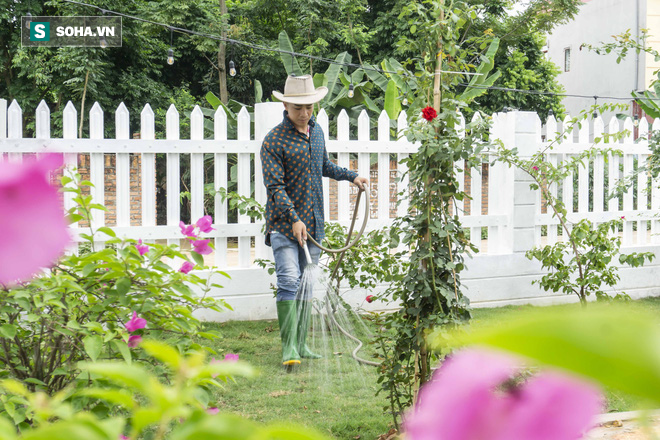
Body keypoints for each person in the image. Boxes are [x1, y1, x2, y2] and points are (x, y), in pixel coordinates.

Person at [260, 75, 369, 368]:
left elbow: (324, 165)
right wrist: (293, 218)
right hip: (284, 225)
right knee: (288, 281)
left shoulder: (317, 131)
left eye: (309, 106)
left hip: (314, 225)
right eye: (298, 107)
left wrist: (352, 176)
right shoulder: (273, 141)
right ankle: (288, 348)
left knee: (307, 287)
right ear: (285, 104)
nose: (304, 113)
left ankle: (303, 344)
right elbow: (275, 188)